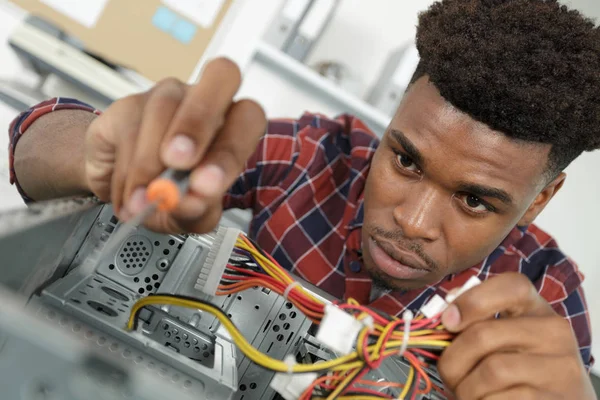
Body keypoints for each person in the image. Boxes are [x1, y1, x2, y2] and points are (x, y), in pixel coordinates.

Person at [6, 0, 599, 398]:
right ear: (392, 118)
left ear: (541, 198)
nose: (413, 222)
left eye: (474, 201)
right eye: (406, 160)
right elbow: (36, 133)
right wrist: (95, 153)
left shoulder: (545, 294)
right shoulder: (313, 157)